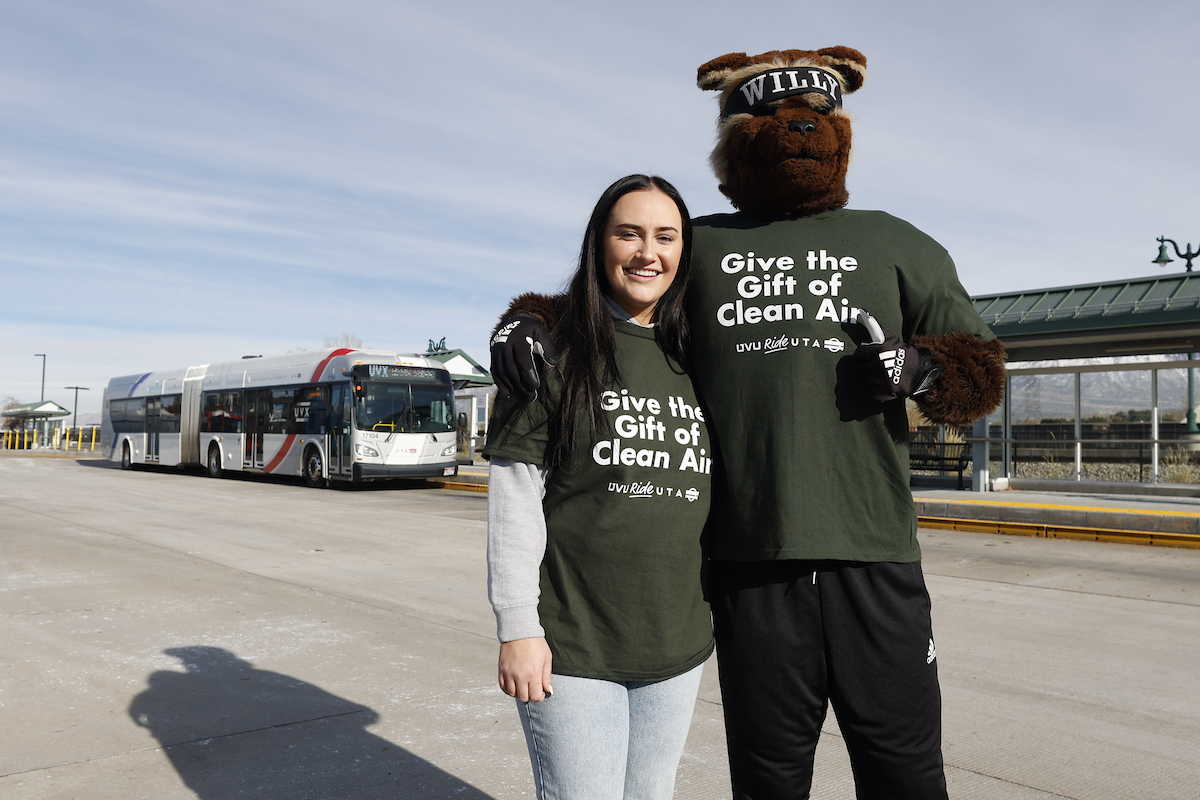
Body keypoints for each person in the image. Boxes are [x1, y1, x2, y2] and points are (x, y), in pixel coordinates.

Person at [484, 174, 714, 800]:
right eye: (629, 233)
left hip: (678, 641)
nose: (648, 252)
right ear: (598, 243)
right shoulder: (548, 352)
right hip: (573, 642)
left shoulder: (698, 356)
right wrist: (517, 628)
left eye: (666, 237)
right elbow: (514, 502)